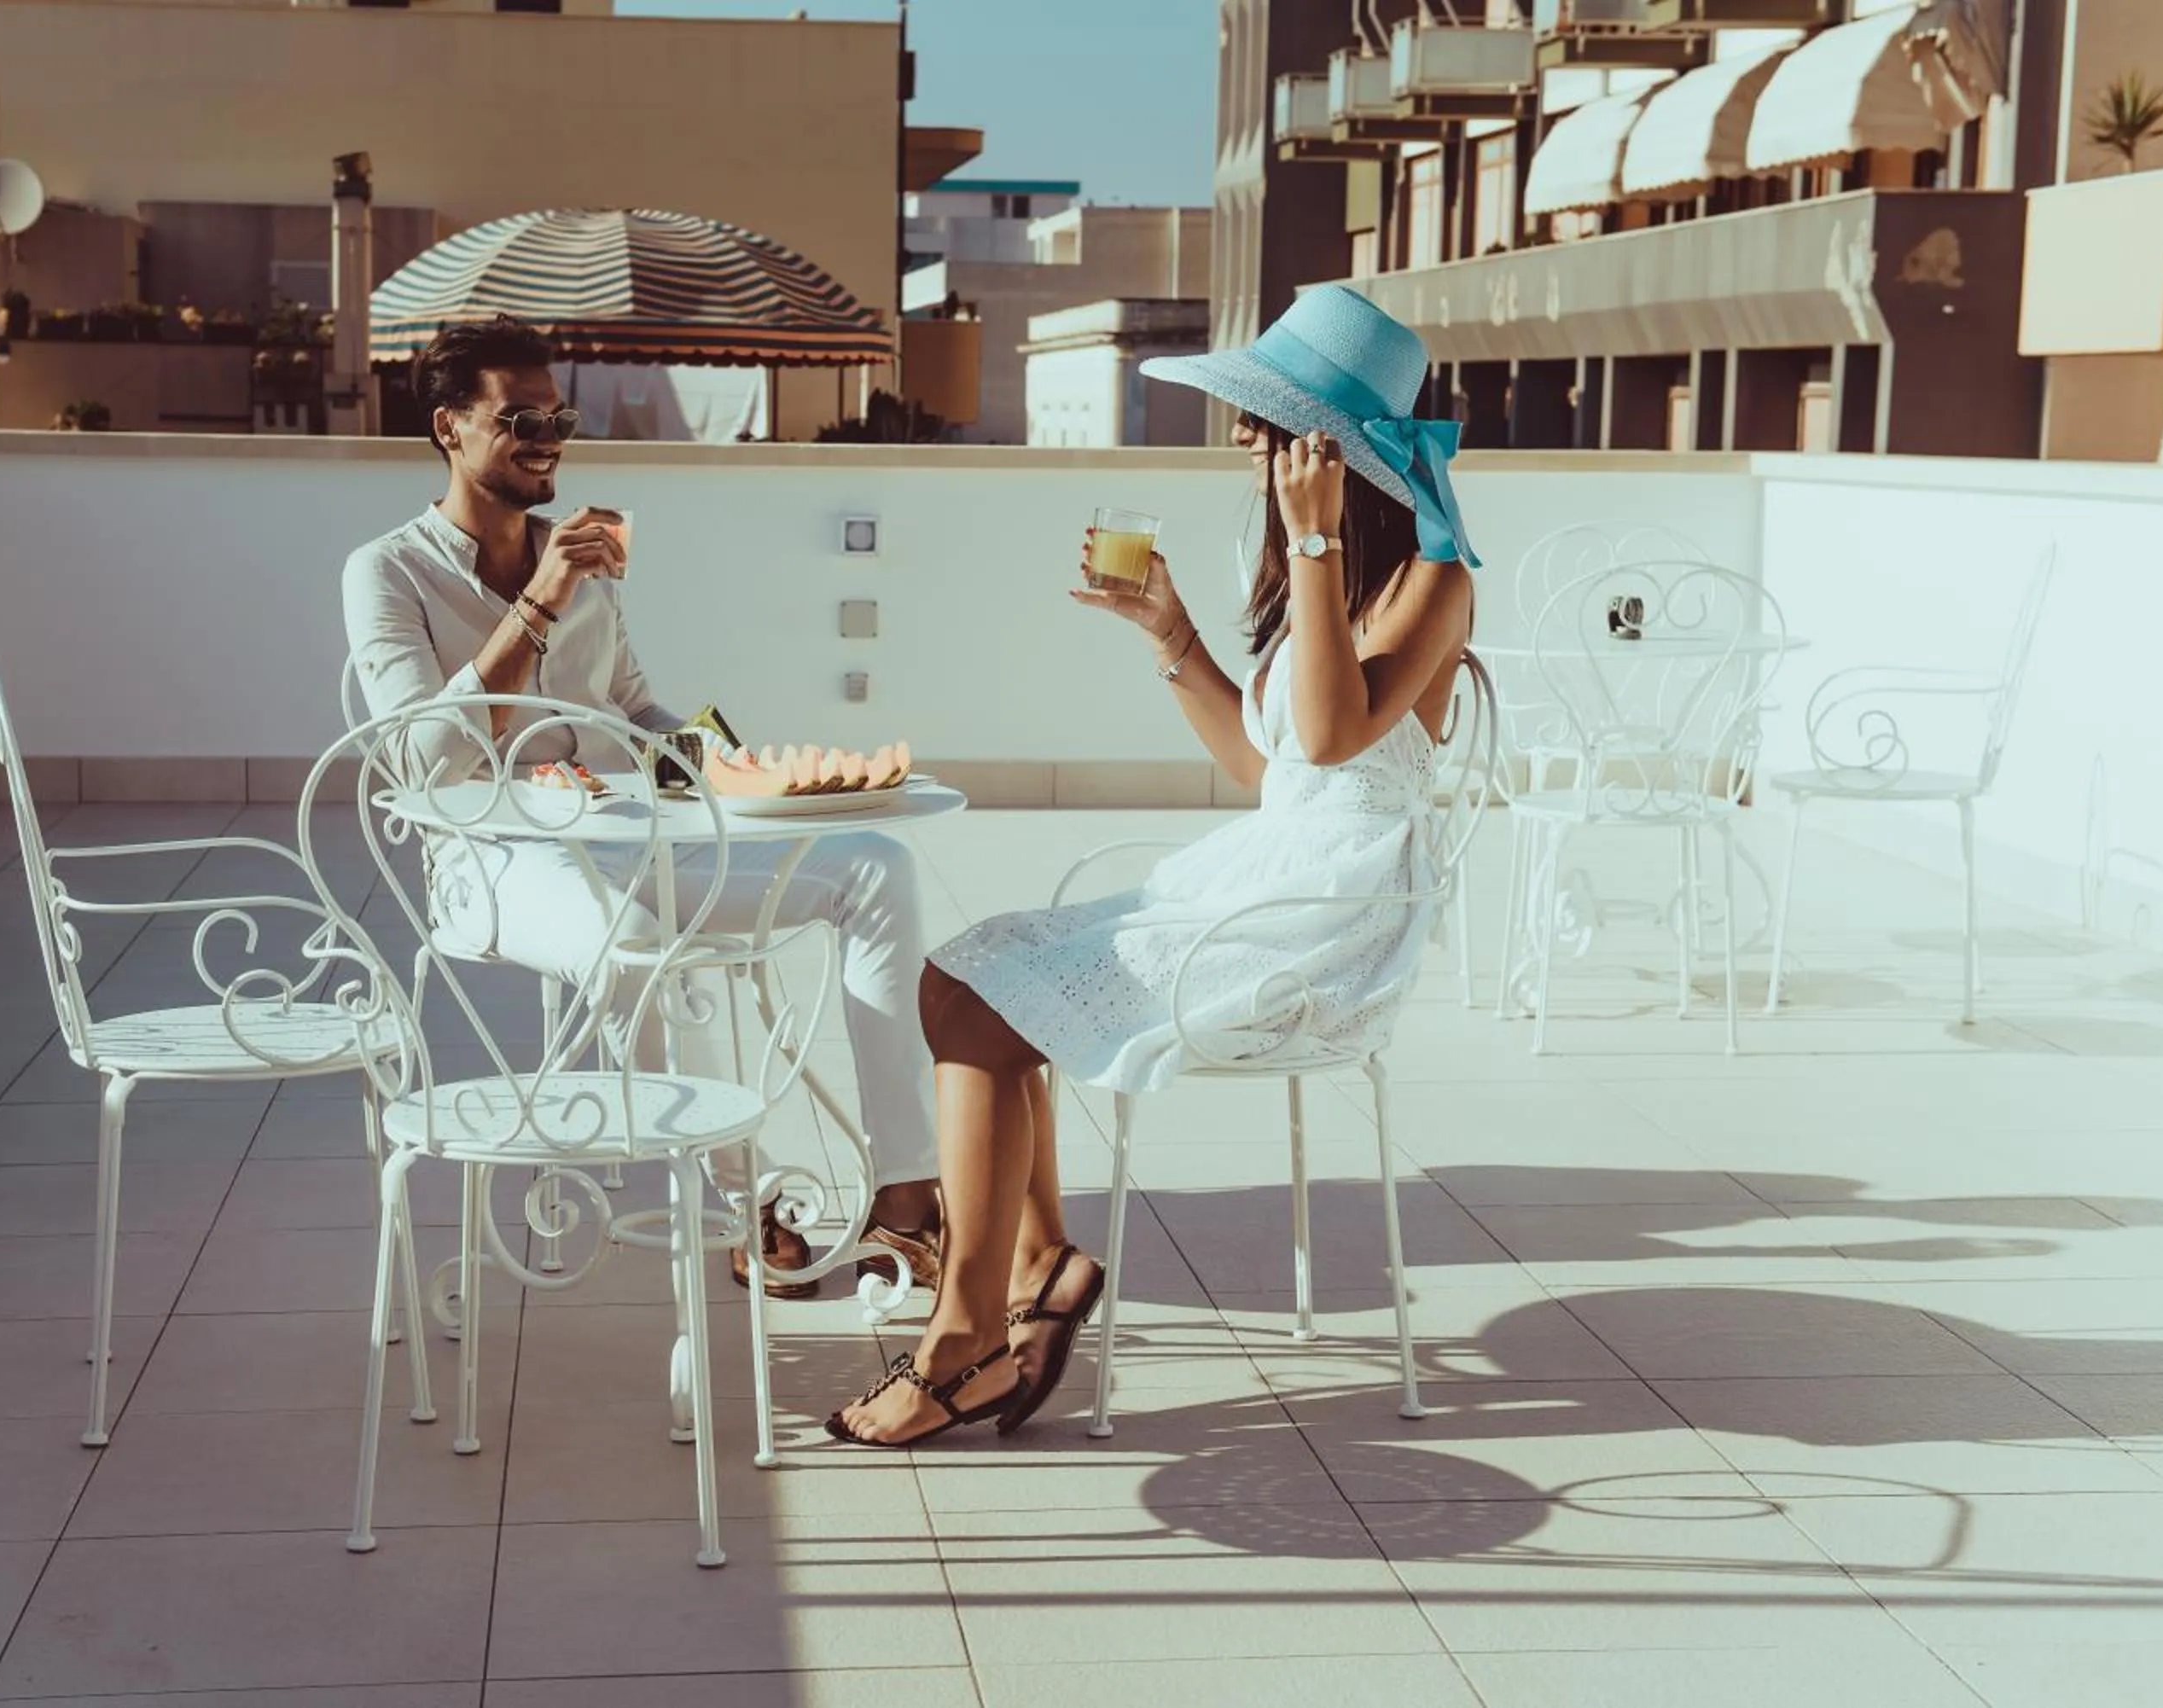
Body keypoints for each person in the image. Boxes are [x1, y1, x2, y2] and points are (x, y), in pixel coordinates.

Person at [826, 284, 1480, 1445]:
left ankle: (968, 1334)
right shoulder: (1316, 570)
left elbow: (1331, 739)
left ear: (1331, 447)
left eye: (1268, 423)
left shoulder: (1431, 581)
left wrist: (1319, 541)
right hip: (1260, 874)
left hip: (1319, 925)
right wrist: (1171, 632)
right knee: (961, 975)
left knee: (980, 1002)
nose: (1244, 442)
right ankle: (1034, 1268)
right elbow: (1268, 760)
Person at [342, 317, 943, 1298]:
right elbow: (420, 753)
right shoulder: (386, 572)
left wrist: (729, 753)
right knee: (640, 937)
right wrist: (538, 602)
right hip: (493, 861)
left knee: (877, 865)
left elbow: (628, 709)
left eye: (559, 414)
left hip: (628, 835)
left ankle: (908, 1195)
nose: (549, 436)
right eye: (520, 418)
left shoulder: (579, 557)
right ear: (450, 428)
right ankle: (742, 1204)